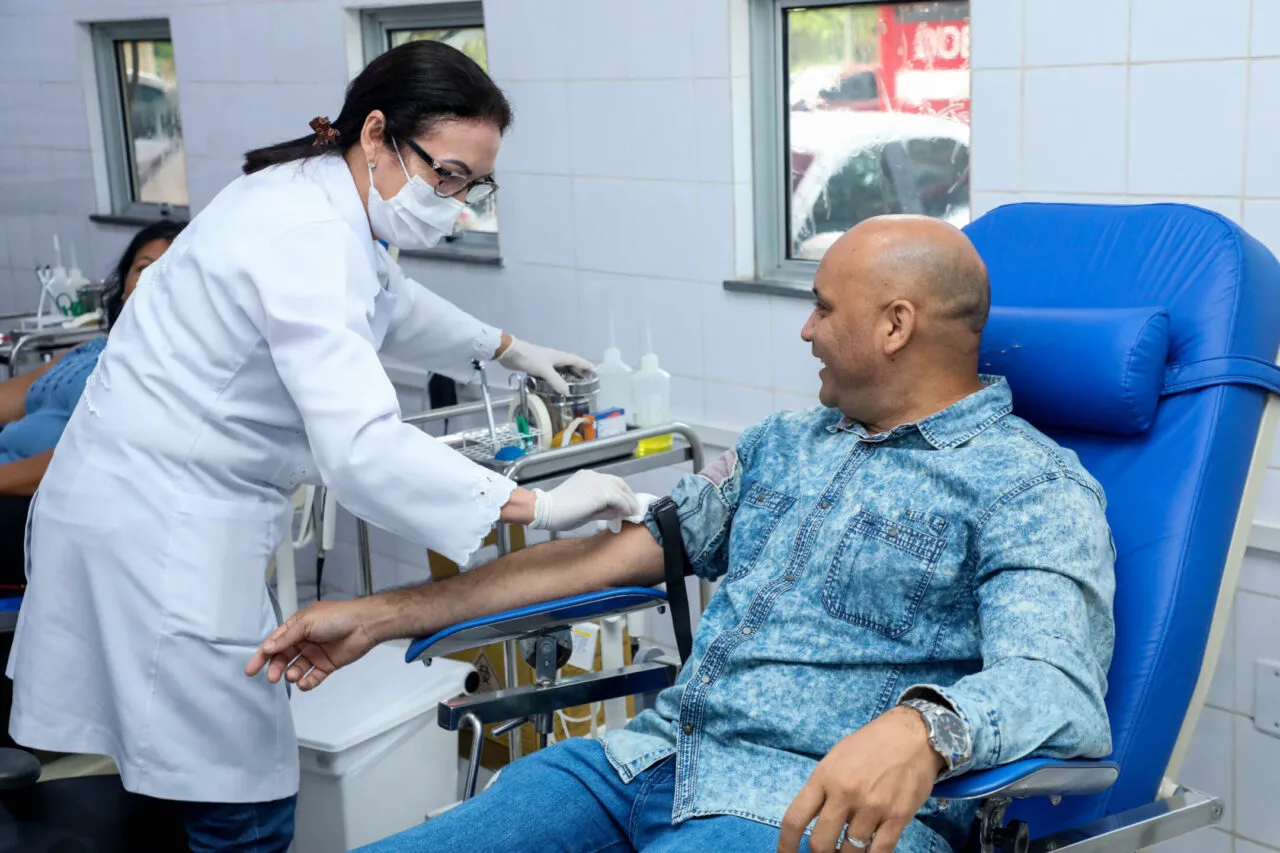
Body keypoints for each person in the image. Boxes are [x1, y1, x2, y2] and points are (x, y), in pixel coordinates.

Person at [249, 215, 1118, 853]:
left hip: (797, 811)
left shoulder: (1029, 486)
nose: (805, 329)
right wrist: (382, 613)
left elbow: (1056, 685)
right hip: (646, 761)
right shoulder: (787, 444)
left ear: (895, 325)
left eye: (822, 308)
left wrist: (923, 729)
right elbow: (625, 550)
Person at [5, 39, 638, 853]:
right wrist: (538, 504)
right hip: (164, 538)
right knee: (246, 803)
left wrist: (509, 347)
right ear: (375, 133)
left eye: (476, 185)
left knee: (174, 774)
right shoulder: (305, 232)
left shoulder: (315, 197)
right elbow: (363, 448)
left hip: (138, 512)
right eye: (447, 175)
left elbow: (389, 299)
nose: (459, 202)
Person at [0, 220, 183, 590]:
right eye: (142, 268)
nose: (150, 279)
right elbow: (10, 399)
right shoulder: (92, 350)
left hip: (44, 507)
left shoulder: (165, 369)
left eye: (168, 269)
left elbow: (87, 457)